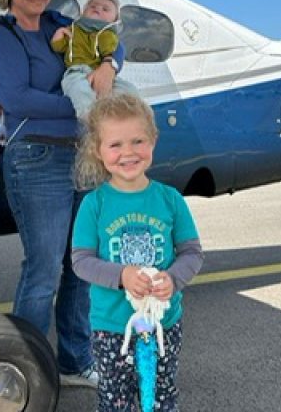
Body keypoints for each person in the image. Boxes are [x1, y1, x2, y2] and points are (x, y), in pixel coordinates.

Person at [0, 0, 121, 387]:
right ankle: (25, 369)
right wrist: (83, 105)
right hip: (36, 157)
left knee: (82, 262)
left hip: (82, 154)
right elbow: (17, 99)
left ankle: (74, 361)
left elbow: (106, 37)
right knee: (43, 268)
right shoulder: (3, 35)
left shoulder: (60, 23)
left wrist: (109, 67)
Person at [71, 93, 204, 411]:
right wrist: (122, 275)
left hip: (163, 325)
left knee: (161, 398)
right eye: (115, 144)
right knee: (114, 401)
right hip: (111, 328)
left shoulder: (170, 199)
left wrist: (173, 279)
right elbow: (81, 261)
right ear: (98, 150)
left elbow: (191, 252)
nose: (128, 152)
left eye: (138, 141)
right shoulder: (94, 204)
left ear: (153, 141)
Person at [51, 0, 139, 118]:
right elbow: (59, 47)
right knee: (79, 91)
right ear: (83, 11)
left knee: (129, 90)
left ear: (114, 20)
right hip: (77, 71)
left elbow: (111, 51)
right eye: (93, 6)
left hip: (101, 71)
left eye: (105, 9)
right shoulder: (74, 28)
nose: (98, 9)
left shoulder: (108, 34)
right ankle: (92, 120)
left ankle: (130, 121)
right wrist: (58, 36)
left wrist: (107, 39)